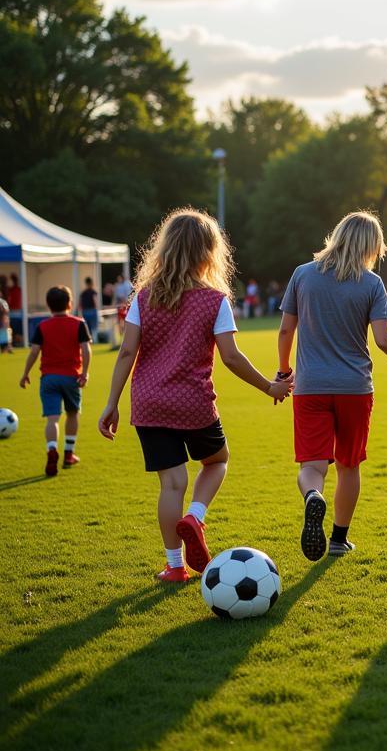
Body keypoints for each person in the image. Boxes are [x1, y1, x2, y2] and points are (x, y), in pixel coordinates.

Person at [97, 209, 292, 583]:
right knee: (217, 461)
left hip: (149, 402)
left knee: (171, 484)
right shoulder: (214, 300)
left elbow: (126, 353)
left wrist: (111, 403)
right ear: (209, 252)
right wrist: (270, 386)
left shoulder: (144, 296)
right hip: (194, 402)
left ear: (165, 248)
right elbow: (231, 357)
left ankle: (174, 566)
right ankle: (196, 517)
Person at [277, 212, 387, 562]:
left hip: (311, 386)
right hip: (354, 387)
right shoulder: (371, 283)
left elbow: (286, 330)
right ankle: (338, 539)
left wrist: (285, 371)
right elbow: (384, 340)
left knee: (312, 466)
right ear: (371, 245)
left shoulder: (302, 275)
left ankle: (313, 496)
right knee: (349, 465)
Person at [19, 286, 92, 476]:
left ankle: (52, 449)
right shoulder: (79, 323)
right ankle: (69, 453)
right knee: (72, 414)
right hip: (71, 377)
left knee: (53, 418)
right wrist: (85, 372)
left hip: (49, 378)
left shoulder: (42, 326)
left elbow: (34, 351)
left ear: (48, 306)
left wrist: (25, 373)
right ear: (70, 303)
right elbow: (86, 349)